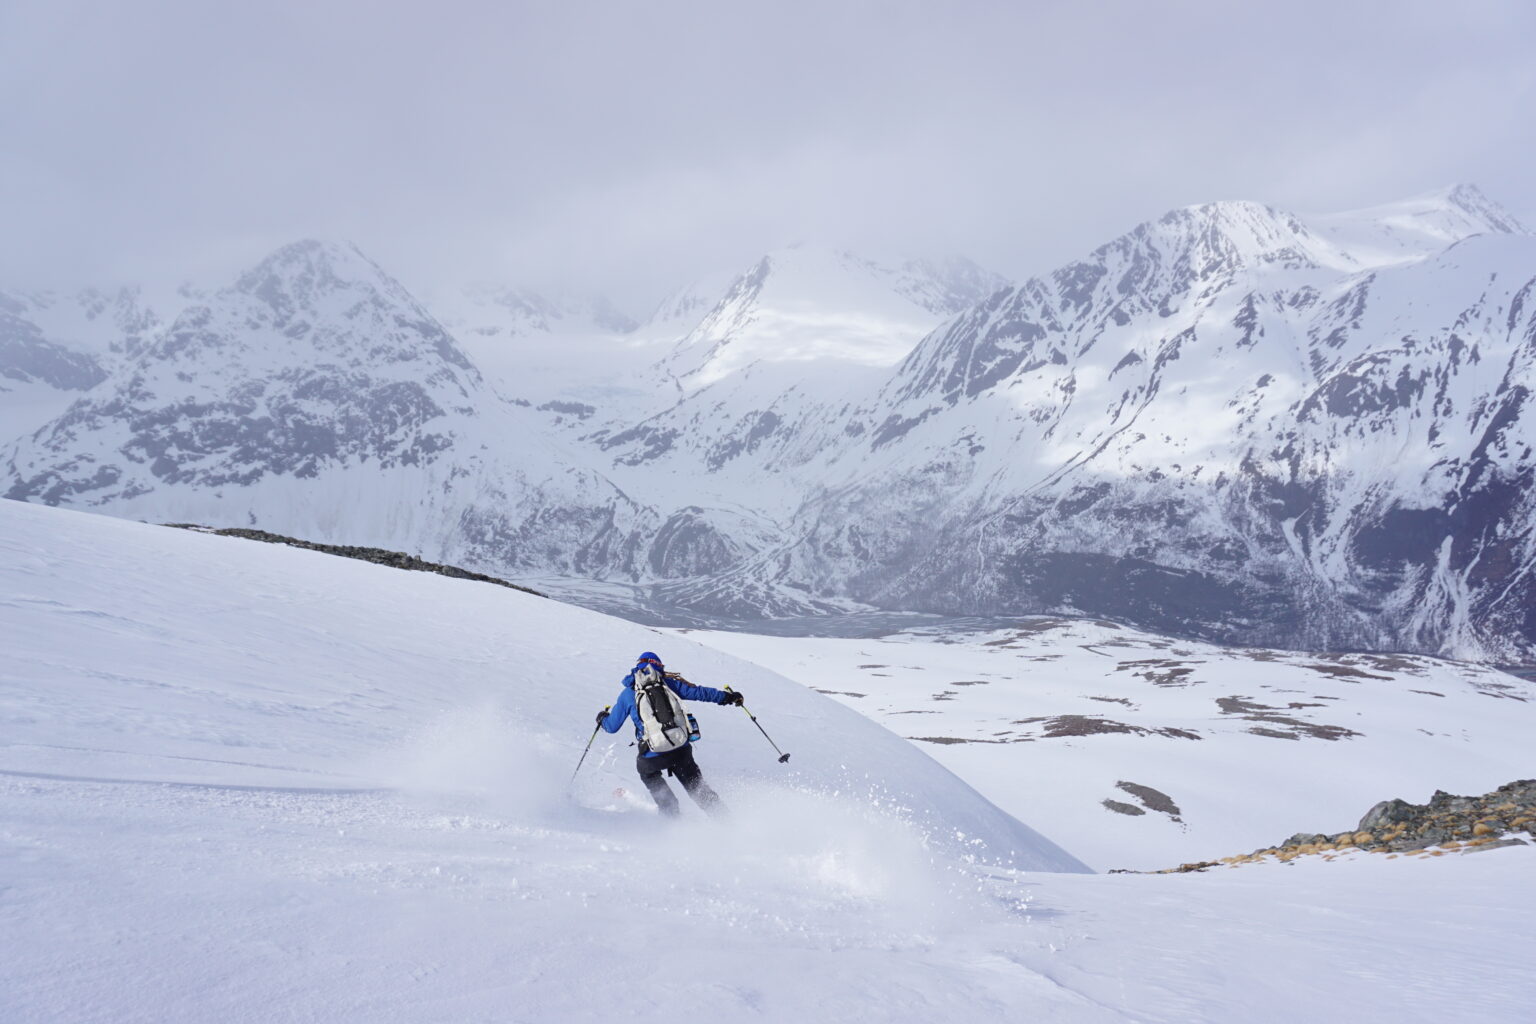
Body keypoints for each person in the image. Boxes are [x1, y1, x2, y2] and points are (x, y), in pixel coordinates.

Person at [596, 651, 744, 817]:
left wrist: (602, 718)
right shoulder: (669, 683)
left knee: (652, 779)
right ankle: (730, 825)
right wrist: (728, 697)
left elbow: (611, 727)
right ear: (658, 666)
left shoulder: (628, 694)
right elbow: (700, 693)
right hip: (680, 749)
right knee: (701, 793)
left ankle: (672, 827)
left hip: (652, 756)